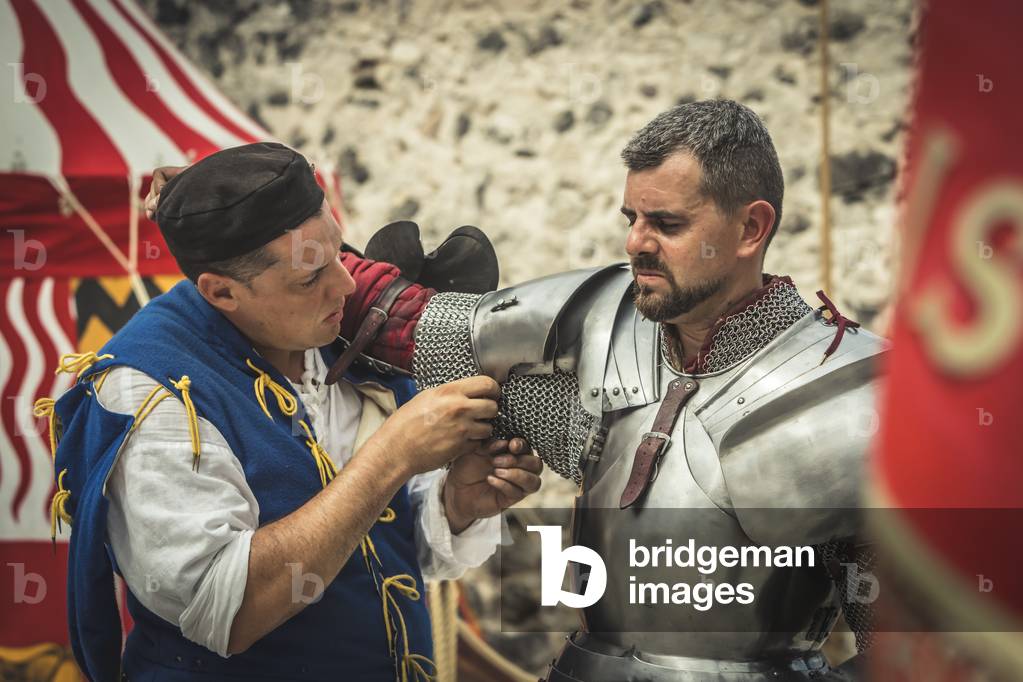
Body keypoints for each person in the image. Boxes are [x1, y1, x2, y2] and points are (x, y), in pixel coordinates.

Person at [335, 99, 885, 681]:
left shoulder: (852, 397)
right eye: (632, 219)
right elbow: (405, 324)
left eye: (666, 224)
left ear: (751, 228)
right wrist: (304, 256)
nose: (636, 243)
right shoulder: (601, 322)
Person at [41, 143, 543, 682]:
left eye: (338, 253)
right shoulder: (151, 390)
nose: (346, 285)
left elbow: (377, 548)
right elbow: (231, 611)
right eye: (309, 278)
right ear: (221, 292)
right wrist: (392, 455)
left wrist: (455, 504)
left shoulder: (341, 331)